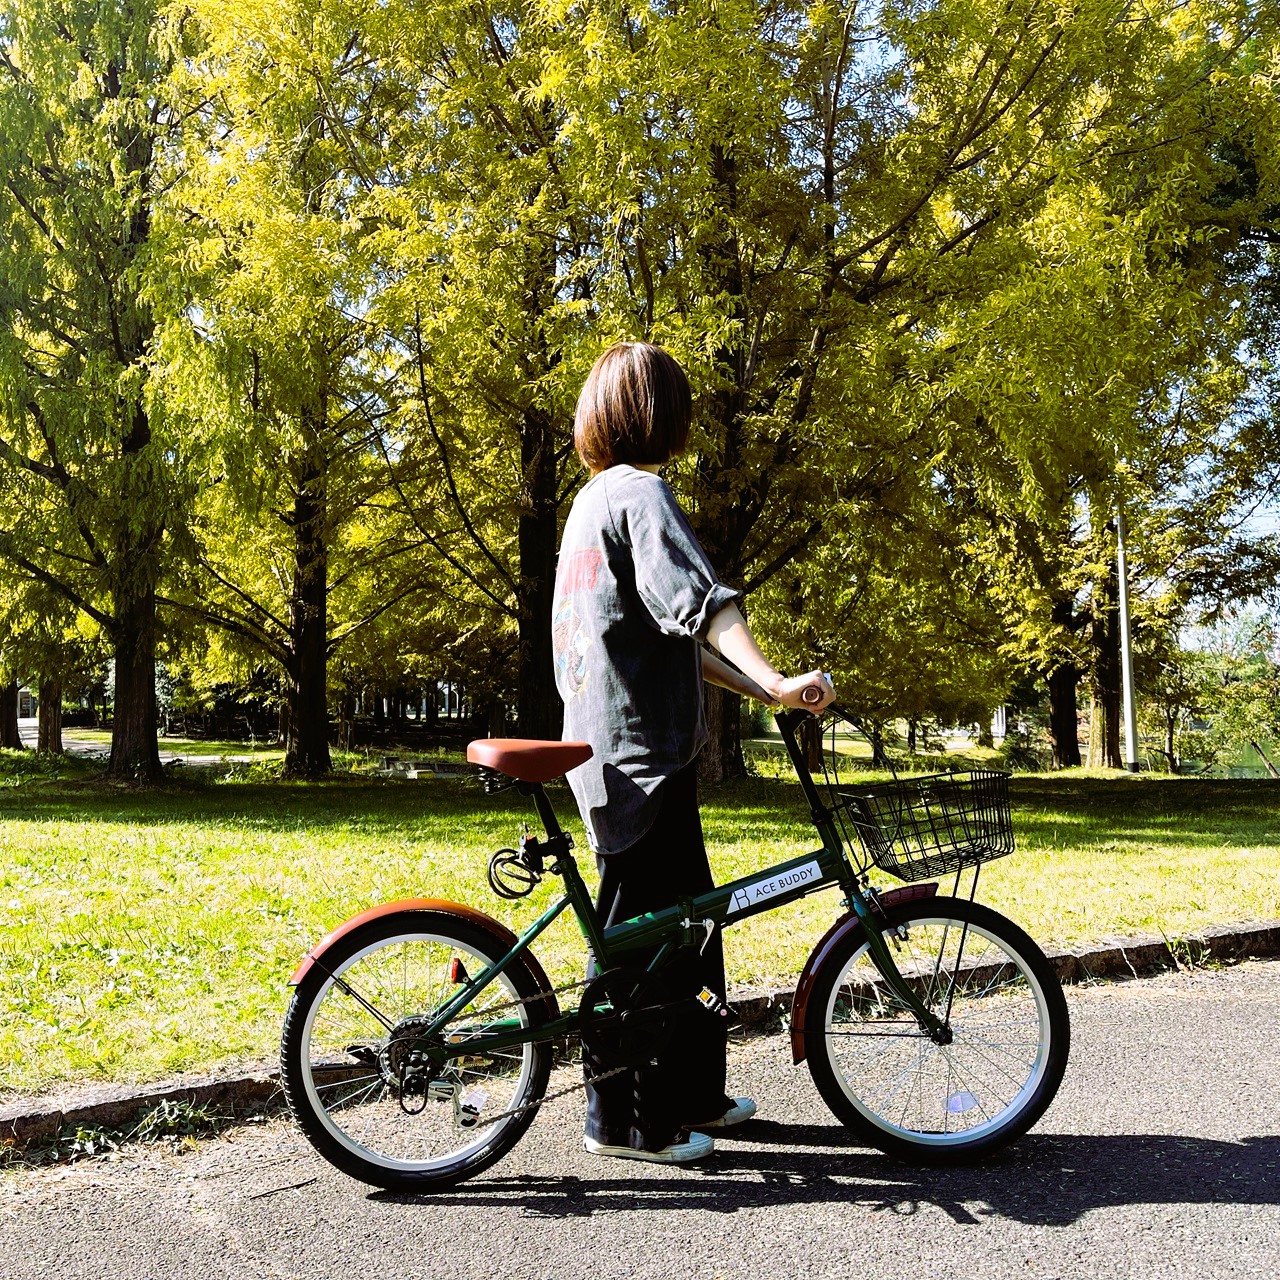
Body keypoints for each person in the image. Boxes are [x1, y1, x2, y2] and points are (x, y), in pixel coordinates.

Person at [552, 340, 834, 1165]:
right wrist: (779, 676)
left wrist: (763, 690)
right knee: (644, 945)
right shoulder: (641, 494)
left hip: (617, 751)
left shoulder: (589, 503)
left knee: (691, 927)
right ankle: (626, 1123)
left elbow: (678, 639)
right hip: (638, 757)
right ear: (658, 414)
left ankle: (692, 1091)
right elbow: (705, 606)